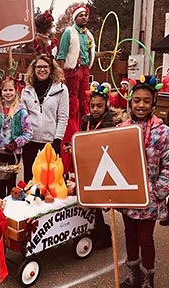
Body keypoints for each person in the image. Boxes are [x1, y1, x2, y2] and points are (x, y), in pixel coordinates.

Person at [118, 76, 169, 288]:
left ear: (153, 103)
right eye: (136, 100)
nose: (141, 105)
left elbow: (168, 164)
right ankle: (133, 273)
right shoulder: (121, 129)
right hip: (127, 195)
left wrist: (159, 190)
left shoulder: (163, 132)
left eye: (146, 101)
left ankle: (148, 278)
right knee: (129, 235)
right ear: (130, 103)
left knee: (145, 238)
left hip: (150, 197)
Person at [56, 4, 117, 174]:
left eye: (86, 15)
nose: (84, 17)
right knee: (72, 99)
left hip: (85, 69)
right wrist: (60, 73)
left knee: (84, 98)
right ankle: (71, 124)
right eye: (80, 15)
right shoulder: (69, 33)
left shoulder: (89, 35)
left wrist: (107, 53)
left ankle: (85, 122)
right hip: (72, 70)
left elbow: (91, 54)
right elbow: (61, 55)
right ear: (75, 18)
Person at [21, 54, 69, 183]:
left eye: (45, 67)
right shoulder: (26, 90)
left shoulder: (61, 89)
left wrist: (57, 139)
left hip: (50, 141)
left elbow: (63, 117)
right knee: (30, 180)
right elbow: (22, 117)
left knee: (49, 180)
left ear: (51, 69)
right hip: (30, 141)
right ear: (34, 69)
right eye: (39, 67)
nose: (42, 70)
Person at [0, 77, 32, 199]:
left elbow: (28, 133)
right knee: (0, 182)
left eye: (11, 90)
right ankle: (0, 207)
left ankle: (11, 206)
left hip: (13, 153)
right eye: (5, 90)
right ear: (0, 92)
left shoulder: (21, 111)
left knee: (11, 182)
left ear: (16, 91)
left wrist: (16, 143)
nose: (8, 93)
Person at [80, 84, 114, 249]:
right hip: (88, 165)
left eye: (99, 106)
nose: (95, 109)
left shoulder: (110, 122)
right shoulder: (85, 120)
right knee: (91, 200)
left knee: (100, 201)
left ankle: (105, 235)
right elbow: (80, 139)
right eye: (92, 105)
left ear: (106, 105)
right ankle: (95, 229)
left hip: (104, 166)